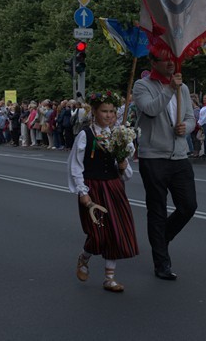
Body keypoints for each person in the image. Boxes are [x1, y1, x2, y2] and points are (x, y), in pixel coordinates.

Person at [132, 54, 197, 280]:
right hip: (153, 156)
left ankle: (163, 237)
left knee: (188, 206)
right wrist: (169, 88)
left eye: (173, 60)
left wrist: (186, 127)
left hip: (179, 156)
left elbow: (191, 117)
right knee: (157, 210)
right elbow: (150, 109)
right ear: (154, 62)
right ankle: (161, 262)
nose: (171, 64)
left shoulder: (184, 88)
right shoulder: (142, 85)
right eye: (165, 60)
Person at [67, 92, 138, 293]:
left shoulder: (121, 135)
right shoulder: (85, 135)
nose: (109, 115)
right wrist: (82, 192)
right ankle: (84, 257)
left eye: (112, 111)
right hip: (94, 187)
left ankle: (110, 277)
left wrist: (123, 165)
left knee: (116, 231)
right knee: (97, 234)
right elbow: (76, 166)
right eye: (104, 111)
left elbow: (126, 173)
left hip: (114, 187)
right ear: (95, 112)